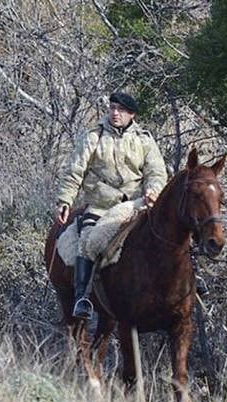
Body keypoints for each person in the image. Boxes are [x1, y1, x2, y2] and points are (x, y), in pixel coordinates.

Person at [55, 92, 167, 319]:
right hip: (100, 205)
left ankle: (191, 282)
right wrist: (65, 200)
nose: (115, 113)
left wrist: (153, 190)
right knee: (88, 241)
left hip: (136, 204)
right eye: (113, 108)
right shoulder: (93, 136)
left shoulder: (144, 139)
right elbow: (75, 171)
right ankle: (82, 298)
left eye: (122, 110)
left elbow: (156, 171)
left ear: (132, 114)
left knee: (171, 230)